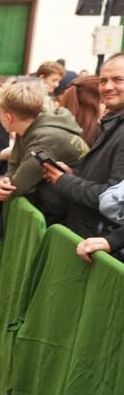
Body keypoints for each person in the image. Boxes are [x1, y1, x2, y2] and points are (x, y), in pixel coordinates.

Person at [42, 53, 124, 257]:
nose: (107, 87)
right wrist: (74, 173)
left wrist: (64, 181)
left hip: (99, 249)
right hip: (86, 240)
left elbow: (112, 200)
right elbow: (105, 180)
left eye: (118, 80)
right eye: (103, 80)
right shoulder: (112, 123)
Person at [0, 79, 89, 224]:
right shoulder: (27, 128)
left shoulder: (45, 138)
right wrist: (1, 181)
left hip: (71, 210)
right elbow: (13, 167)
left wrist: (2, 184)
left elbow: (19, 186)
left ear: (8, 118)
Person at [58, 74, 104, 147]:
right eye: (102, 102)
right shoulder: (99, 136)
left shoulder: (53, 122)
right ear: (94, 103)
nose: (105, 107)